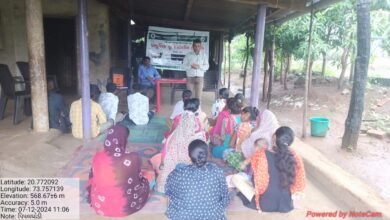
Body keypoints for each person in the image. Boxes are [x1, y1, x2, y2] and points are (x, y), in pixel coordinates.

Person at [236, 126, 306, 213]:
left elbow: (260, 184)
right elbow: (300, 184)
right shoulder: (295, 156)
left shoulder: (262, 154)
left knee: (236, 179)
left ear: (274, 138)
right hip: (286, 205)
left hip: (266, 204)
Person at [87, 125, 150, 217]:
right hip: (128, 206)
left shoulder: (98, 156)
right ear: (124, 139)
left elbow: (92, 177)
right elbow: (137, 178)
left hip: (100, 205)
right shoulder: (133, 157)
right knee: (146, 180)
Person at [165, 139, 229, 220]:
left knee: (179, 166)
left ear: (189, 155)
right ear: (207, 154)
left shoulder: (179, 173)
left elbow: (168, 191)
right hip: (213, 216)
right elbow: (225, 196)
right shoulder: (216, 171)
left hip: (183, 217)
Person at [155, 111, 206, 192]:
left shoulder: (172, 137)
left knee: (156, 160)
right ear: (194, 124)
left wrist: (162, 165)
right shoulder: (197, 139)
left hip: (173, 173)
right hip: (190, 177)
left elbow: (164, 158)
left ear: (180, 123)